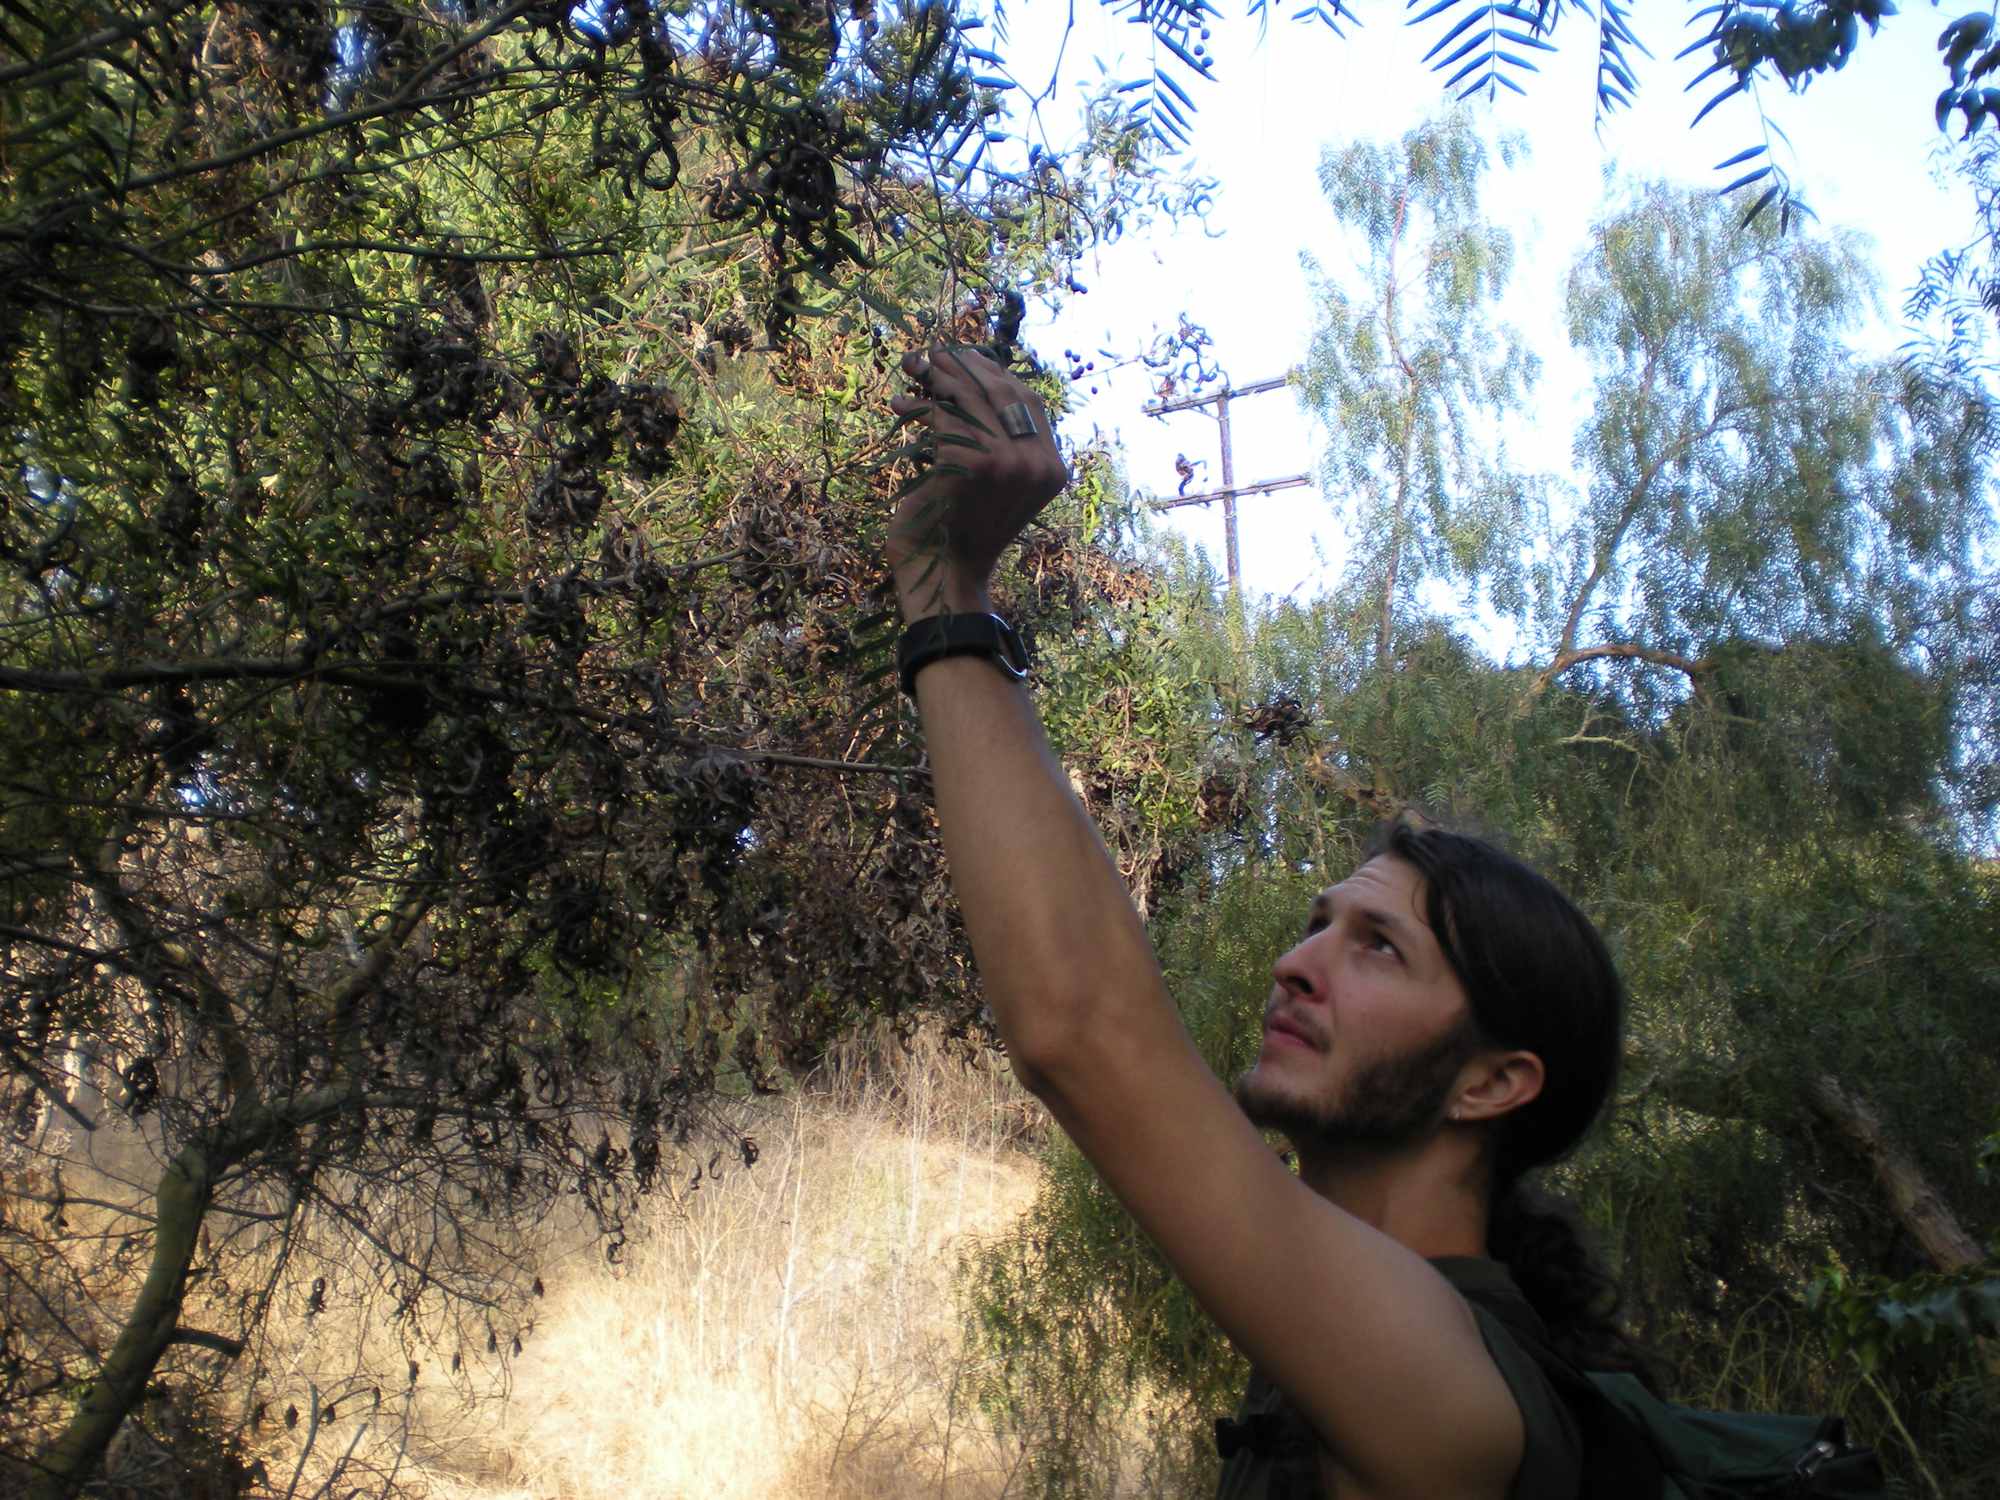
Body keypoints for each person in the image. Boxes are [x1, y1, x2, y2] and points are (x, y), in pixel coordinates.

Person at [886, 344, 1638, 1500]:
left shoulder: (1450, 1389)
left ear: (1492, 1083)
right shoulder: (1360, 1348)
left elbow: (1081, 1029)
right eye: (1318, 924)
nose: (1294, 964)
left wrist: (946, 588)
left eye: (1377, 947)